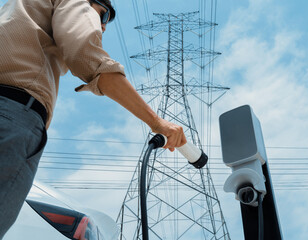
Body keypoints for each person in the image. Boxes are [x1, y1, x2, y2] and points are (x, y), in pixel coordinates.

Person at [0, 0, 186, 238]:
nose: (104, 27)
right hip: (12, 111)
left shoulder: (15, 9)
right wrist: (158, 123)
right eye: (104, 15)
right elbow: (85, 54)